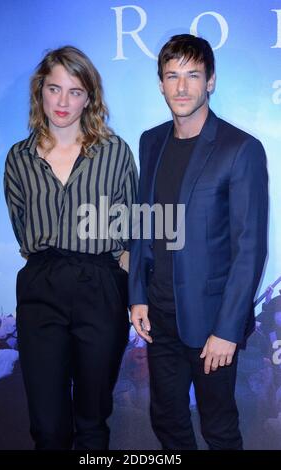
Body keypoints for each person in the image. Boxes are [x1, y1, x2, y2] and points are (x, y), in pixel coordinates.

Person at [129, 34, 268, 450]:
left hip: (211, 321)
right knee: (167, 422)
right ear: (160, 84)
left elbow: (250, 248)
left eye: (193, 75)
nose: (182, 87)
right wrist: (137, 294)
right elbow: (144, 224)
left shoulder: (240, 148)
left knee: (219, 429)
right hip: (159, 316)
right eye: (172, 76)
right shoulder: (150, 141)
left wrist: (227, 330)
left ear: (210, 81)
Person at [4, 46, 138, 450]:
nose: (63, 102)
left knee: (93, 421)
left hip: (101, 284)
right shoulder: (18, 158)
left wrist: (129, 295)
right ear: (39, 92)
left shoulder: (115, 152)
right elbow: (22, 230)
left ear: (90, 97)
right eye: (54, 89)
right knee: (47, 427)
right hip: (41, 287)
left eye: (75, 91)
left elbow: (130, 230)